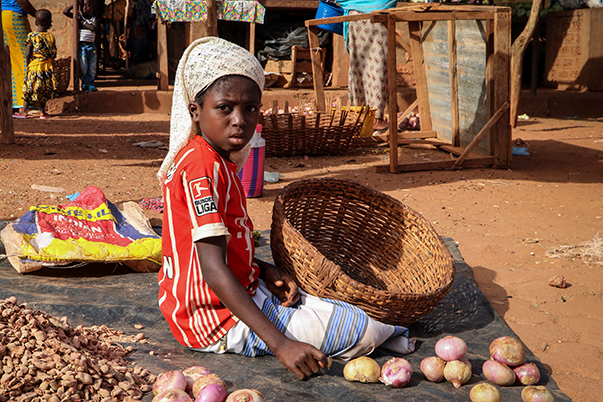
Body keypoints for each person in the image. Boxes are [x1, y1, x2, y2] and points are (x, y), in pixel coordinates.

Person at [156, 37, 414, 380]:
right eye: (225, 108)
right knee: (363, 330)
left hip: (237, 289)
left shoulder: (213, 159)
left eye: (250, 109)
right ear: (195, 111)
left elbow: (218, 248)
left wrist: (262, 269)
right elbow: (212, 268)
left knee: (339, 306)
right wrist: (281, 344)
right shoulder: (201, 169)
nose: (239, 120)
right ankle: (362, 331)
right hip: (211, 319)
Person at [336, 0, 397, 131]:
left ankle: (359, 116)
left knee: (358, 69)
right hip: (377, 19)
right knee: (377, 67)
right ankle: (376, 119)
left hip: (355, 19)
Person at [14, 9, 56, 119]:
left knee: (29, 88)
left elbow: (28, 53)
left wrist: (28, 63)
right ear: (50, 23)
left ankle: (24, 111)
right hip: (46, 66)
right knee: (44, 89)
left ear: (36, 22)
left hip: (34, 66)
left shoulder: (32, 36)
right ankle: (43, 112)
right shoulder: (51, 37)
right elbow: (53, 53)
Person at [1, 0, 37, 111]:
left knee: (14, 60)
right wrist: (37, 15)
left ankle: (16, 102)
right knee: (25, 58)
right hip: (15, 17)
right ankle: (24, 103)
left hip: (5, 16)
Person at [63, 0, 99, 92]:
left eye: (87, 6)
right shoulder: (78, 17)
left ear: (92, 8)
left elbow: (93, 28)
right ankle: (84, 83)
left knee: (92, 67)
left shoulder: (94, 19)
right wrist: (74, 5)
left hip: (91, 46)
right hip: (82, 46)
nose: (84, 8)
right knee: (83, 66)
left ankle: (90, 84)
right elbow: (65, 12)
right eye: (83, 5)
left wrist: (82, 21)